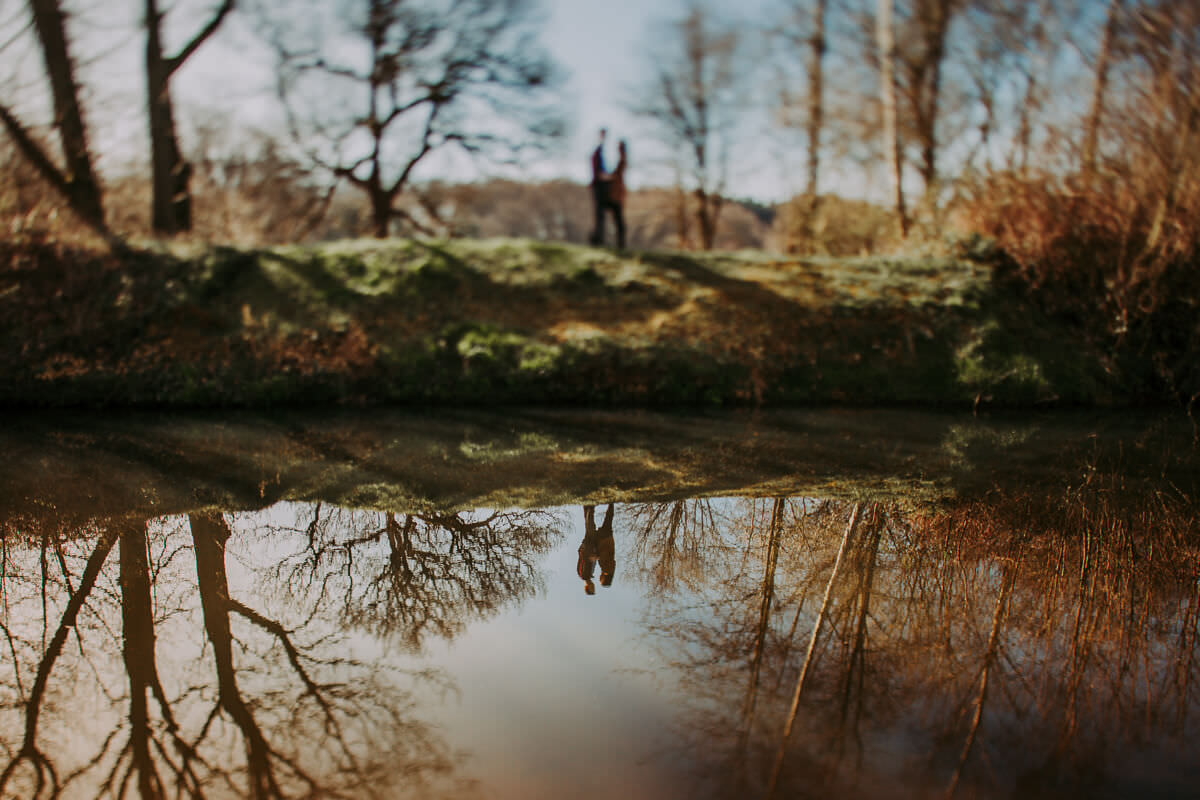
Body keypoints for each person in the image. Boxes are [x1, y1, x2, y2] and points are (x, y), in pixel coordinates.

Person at [577, 503, 616, 594]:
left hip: (589, 545)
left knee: (590, 525)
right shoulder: (591, 574)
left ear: (587, 587)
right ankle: (588, 506)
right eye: (594, 588)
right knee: (590, 524)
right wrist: (596, 556)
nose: (594, 586)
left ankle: (589, 505)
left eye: (592, 589)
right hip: (595, 544)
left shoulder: (584, 575)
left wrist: (591, 555)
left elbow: (583, 559)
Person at [589, 128, 609, 246]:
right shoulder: (597, 152)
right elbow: (598, 172)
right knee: (599, 213)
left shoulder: (601, 152)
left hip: (602, 186)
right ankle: (597, 238)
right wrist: (606, 177)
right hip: (598, 186)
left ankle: (599, 237)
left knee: (601, 214)